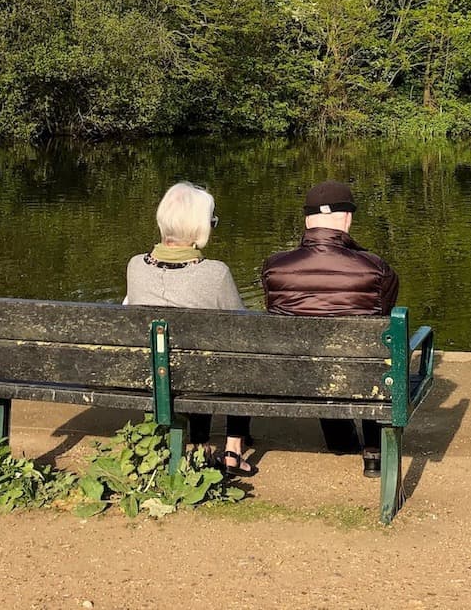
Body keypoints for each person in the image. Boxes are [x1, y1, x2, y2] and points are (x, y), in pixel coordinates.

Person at [260, 180, 399, 477]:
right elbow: (383, 318)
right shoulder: (376, 268)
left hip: (295, 376)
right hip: (360, 375)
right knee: (370, 352)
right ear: (347, 219)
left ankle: (340, 440)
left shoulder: (274, 267)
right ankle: (373, 451)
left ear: (307, 221)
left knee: (319, 354)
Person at [125, 181, 255, 477]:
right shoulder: (215, 274)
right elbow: (244, 328)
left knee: (188, 357)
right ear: (200, 227)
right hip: (202, 378)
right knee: (241, 354)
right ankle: (232, 446)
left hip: (152, 377)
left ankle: (196, 441)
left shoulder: (135, 267)